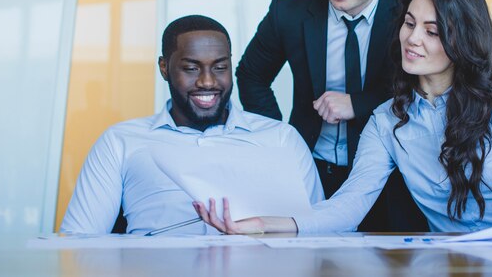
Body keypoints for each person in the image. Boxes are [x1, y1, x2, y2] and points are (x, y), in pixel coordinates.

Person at [194, 0, 492, 241]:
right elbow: (349, 206)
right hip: (449, 260)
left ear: (463, 40)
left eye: (431, 30)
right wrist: (262, 224)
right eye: (409, 24)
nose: (412, 38)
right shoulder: (387, 119)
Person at [236, 0, 418, 230]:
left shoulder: (415, 6)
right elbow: (251, 74)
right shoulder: (288, 9)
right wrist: (278, 138)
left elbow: (431, 83)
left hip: (395, 173)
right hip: (311, 172)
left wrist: (358, 103)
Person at [61, 15, 323, 235]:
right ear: (164, 68)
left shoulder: (281, 138)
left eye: (220, 67)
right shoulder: (120, 142)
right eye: (191, 69)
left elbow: (320, 232)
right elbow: (78, 243)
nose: (208, 82)